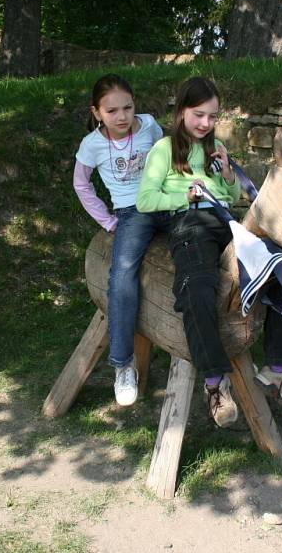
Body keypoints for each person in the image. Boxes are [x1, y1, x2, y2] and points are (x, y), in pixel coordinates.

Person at [137, 77, 282, 428]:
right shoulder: (165, 149)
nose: (206, 124)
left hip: (226, 222)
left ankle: (276, 370)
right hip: (189, 223)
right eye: (199, 115)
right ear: (182, 110)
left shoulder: (215, 147)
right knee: (196, 288)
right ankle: (215, 384)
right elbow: (145, 199)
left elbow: (230, 197)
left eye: (212, 117)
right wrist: (185, 197)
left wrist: (227, 174)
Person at [73, 74, 170, 407]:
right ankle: (123, 364)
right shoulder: (92, 145)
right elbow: (81, 185)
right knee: (123, 274)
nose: (122, 116)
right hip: (132, 211)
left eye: (127, 107)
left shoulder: (149, 127)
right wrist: (106, 220)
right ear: (97, 112)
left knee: (203, 241)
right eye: (112, 110)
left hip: (165, 199)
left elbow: (167, 157)